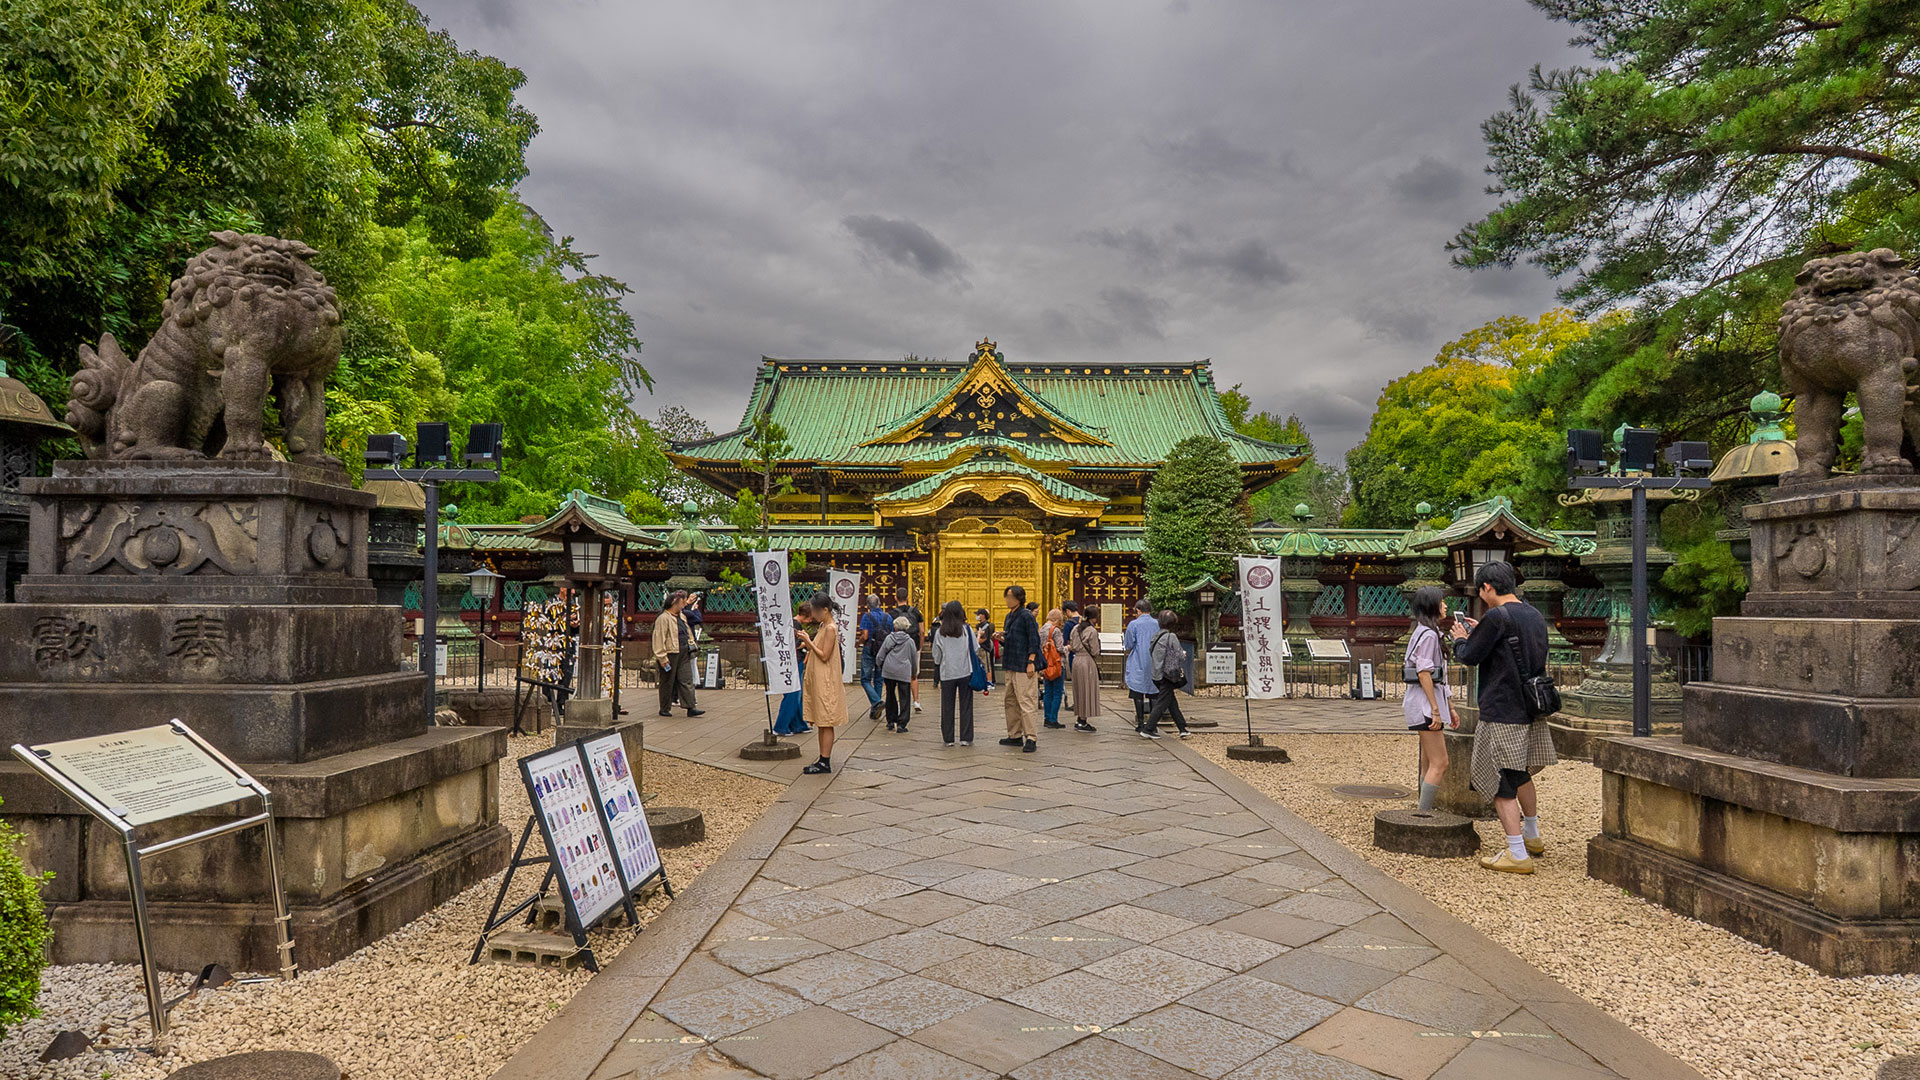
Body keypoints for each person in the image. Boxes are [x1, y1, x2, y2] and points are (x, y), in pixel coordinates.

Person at [1450, 560, 1554, 874]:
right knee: (1520, 772)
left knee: (1502, 780)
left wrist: (1460, 637)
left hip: (1502, 710)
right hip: (1530, 706)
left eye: (1481, 591)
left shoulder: (1496, 617)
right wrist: (1480, 630)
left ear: (1487, 588)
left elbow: (1469, 656)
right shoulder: (1533, 614)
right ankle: (1532, 835)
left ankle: (1517, 852)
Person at [1404, 585, 1453, 810]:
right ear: (1432, 605)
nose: (1445, 606)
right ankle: (1424, 813)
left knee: (1428, 762)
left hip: (1421, 702)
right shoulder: (1430, 635)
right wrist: (1436, 709)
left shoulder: (1421, 631)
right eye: (1441, 602)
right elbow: (1425, 672)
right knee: (1440, 762)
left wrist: (1449, 707)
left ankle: (1423, 809)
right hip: (1425, 704)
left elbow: (1437, 676)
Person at [797, 594, 848, 774]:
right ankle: (822, 758)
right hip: (819, 678)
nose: (814, 615)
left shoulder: (830, 628)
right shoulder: (823, 626)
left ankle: (825, 761)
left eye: (816, 611)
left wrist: (808, 642)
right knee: (821, 720)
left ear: (825, 610)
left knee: (826, 721)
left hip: (826, 680)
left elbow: (825, 655)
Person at [998, 585, 1042, 753]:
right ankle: (1014, 734)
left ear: (1019, 598)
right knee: (1010, 700)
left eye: (1010, 596)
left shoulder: (1026, 616)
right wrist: (1002, 638)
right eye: (1006, 596)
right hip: (1011, 662)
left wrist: (1031, 661)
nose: (1007, 600)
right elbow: (1012, 639)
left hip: (1024, 665)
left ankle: (1030, 736)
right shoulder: (1010, 616)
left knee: (1026, 701)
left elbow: (1034, 640)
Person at [650, 591, 703, 717]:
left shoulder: (682, 616)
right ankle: (664, 707)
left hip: (684, 650)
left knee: (686, 679)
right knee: (668, 681)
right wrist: (662, 657)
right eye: (682, 602)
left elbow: (688, 631)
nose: (684, 605)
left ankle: (690, 706)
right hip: (670, 652)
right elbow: (659, 638)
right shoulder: (663, 618)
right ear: (675, 603)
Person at [930, 600, 976, 746]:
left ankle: (948, 738)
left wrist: (940, 663)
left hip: (947, 672)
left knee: (947, 706)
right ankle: (966, 737)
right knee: (966, 705)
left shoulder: (940, 632)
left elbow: (936, 654)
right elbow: (975, 648)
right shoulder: (967, 630)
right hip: (965, 671)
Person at [1141, 610, 1192, 739]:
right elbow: (1179, 654)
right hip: (1168, 675)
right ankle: (1148, 728)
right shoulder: (1171, 637)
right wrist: (1183, 654)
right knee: (1162, 702)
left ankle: (1182, 728)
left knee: (1171, 701)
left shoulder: (1156, 636)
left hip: (1157, 673)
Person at [772, 605, 811, 736]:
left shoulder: (796, 624)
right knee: (793, 694)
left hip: (796, 661)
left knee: (797, 695)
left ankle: (798, 724)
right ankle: (781, 726)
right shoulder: (792, 625)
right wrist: (807, 642)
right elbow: (793, 644)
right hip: (792, 662)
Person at [876, 615, 919, 732]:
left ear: (895, 627)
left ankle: (891, 720)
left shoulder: (889, 638)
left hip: (889, 670)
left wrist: (880, 664)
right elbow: (913, 659)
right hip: (903, 671)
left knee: (890, 694)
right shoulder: (910, 641)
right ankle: (902, 723)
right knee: (904, 697)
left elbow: (881, 654)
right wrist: (914, 672)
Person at [1123, 599, 1158, 731]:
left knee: (1137, 692)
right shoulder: (1157, 623)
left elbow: (1129, 644)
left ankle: (1141, 723)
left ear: (1138, 610)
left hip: (1138, 660)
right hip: (1154, 660)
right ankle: (1153, 724)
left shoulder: (1134, 624)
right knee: (1154, 693)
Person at [891, 587, 925, 715]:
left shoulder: (892, 614)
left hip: (898, 649)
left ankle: (900, 702)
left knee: (898, 677)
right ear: (908, 597)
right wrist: (919, 647)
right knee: (913, 675)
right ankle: (916, 701)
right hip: (913, 647)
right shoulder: (916, 612)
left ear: (895, 598)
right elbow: (922, 632)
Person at [857, 594, 891, 721]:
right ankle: (875, 709)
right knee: (878, 679)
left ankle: (876, 701)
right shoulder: (888, 617)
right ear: (879, 603)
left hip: (869, 649)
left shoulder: (867, 616)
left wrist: (858, 643)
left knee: (865, 679)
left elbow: (865, 635)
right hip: (883, 650)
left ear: (867, 605)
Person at [1067, 608, 1101, 731]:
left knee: (1079, 689)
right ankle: (1083, 719)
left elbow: (1071, 643)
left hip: (1076, 660)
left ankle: (1080, 717)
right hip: (1087, 661)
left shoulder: (1075, 628)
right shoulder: (1091, 631)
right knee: (1087, 690)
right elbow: (1095, 651)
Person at [1040, 608, 1068, 730]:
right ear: (1056, 619)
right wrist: (1068, 648)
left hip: (1046, 663)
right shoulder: (1055, 630)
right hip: (1056, 664)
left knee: (1048, 691)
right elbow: (1060, 648)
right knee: (1057, 692)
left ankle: (1046, 717)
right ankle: (1053, 718)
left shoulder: (1042, 629)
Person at [975, 608, 997, 691]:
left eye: (978, 614)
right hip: (979, 648)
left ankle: (989, 682)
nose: (977, 616)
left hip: (984, 648)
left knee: (987, 665)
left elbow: (985, 638)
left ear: (983, 615)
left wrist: (977, 641)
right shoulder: (979, 625)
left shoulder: (986, 626)